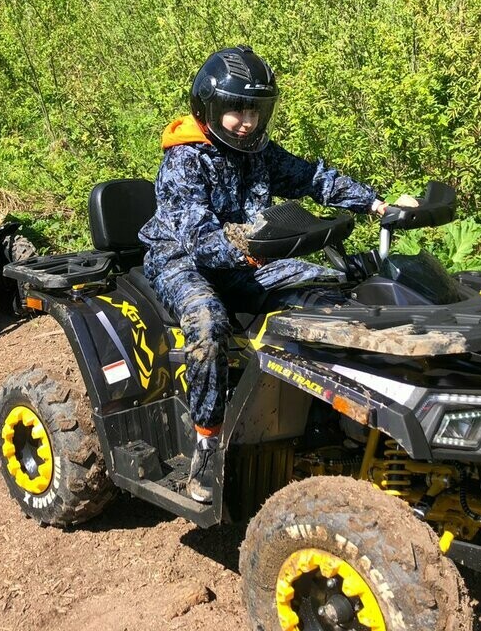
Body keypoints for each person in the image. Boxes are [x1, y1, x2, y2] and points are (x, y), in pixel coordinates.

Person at [138, 45, 409, 503]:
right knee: (207, 324)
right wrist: (256, 246)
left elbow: (313, 178)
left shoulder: (259, 152)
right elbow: (200, 240)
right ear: (209, 107)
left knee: (330, 288)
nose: (247, 121)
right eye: (236, 110)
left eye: (256, 110)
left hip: (252, 256)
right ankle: (206, 445)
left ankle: (337, 416)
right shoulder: (185, 160)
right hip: (181, 259)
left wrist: (375, 204)